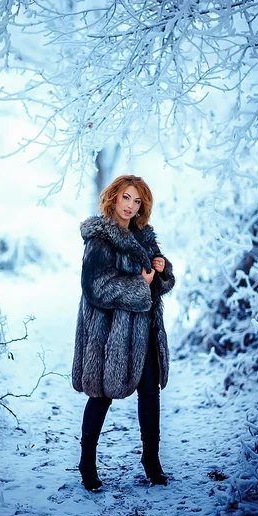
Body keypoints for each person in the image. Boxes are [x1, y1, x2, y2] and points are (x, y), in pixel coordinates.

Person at [72, 175, 175, 491]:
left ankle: (151, 459)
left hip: (144, 329)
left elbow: (159, 285)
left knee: (149, 392)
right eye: (126, 198)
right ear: (113, 198)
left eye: (137, 200)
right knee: (101, 396)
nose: (131, 205)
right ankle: (87, 461)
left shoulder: (144, 238)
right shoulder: (99, 240)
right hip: (109, 334)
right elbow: (95, 288)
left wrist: (161, 270)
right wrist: (139, 285)